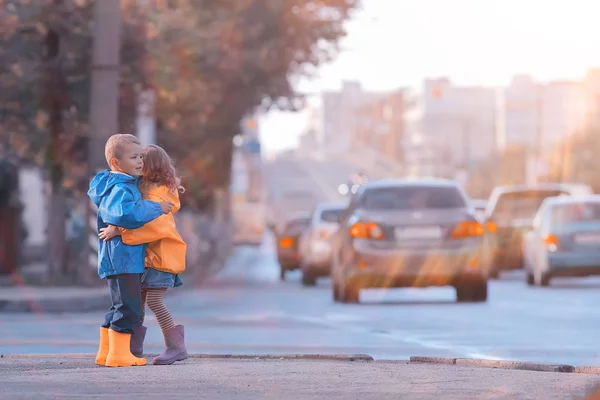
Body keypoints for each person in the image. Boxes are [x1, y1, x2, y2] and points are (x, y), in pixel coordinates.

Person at [88, 134, 174, 368]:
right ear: (116, 163)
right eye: (134, 157)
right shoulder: (120, 187)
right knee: (130, 306)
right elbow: (127, 214)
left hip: (119, 256)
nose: (139, 162)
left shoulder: (118, 183)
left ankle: (106, 352)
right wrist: (156, 207)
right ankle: (118, 354)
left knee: (118, 305)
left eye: (141, 157)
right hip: (123, 257)